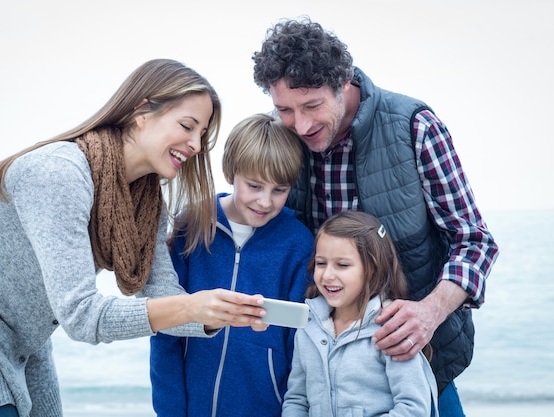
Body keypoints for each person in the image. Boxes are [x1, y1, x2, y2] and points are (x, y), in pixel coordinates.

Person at [0, 59, 268, 417]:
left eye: (202, 134)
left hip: (27, 344)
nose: (196, 145)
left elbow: (162, 294)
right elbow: (82, 316)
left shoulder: (145, 199)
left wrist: (219, 313)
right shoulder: (59, 174)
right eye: (188, 126)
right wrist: (191, 306)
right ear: (142, 110)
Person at [252, 17, 500, 417]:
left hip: (416, 358)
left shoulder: (413, 127)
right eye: (284, 109)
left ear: (343, 83)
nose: (300, 125)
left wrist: (430, 312)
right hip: (323, 366)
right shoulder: (286, 139)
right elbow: (257, 213)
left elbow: (474, 242)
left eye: (312, 106)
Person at [149, 113, 315, 417]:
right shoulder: (194, 224)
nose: (265, 202)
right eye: (254, 186)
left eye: (279, 190)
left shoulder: (298, 244)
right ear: (230, 172)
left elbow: (300, 347)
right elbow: (166, 329)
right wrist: (169, 410)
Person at [283, 210, 439, 416]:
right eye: (321, 263)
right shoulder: (308, 328)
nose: (328, 274)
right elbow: (297, 400)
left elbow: (414, 409)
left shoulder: (394, 330)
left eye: (343, 265)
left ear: (372, 269)